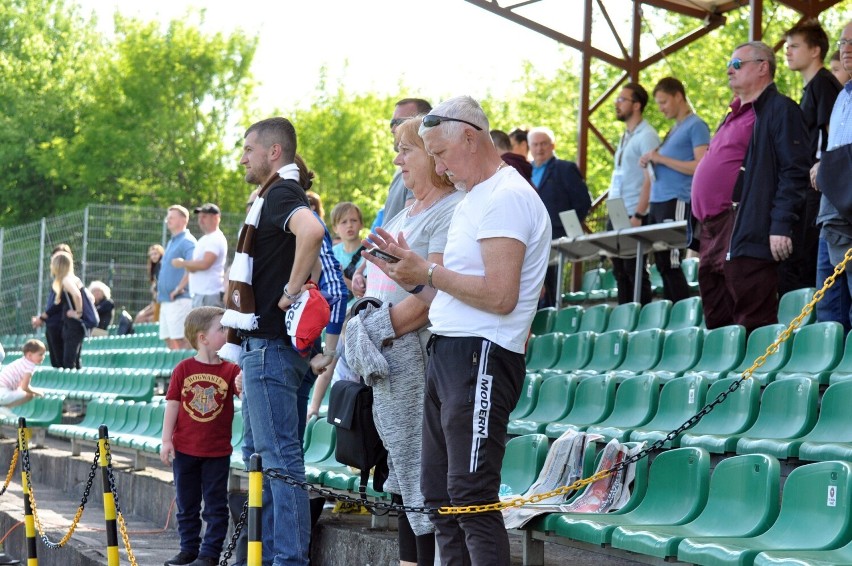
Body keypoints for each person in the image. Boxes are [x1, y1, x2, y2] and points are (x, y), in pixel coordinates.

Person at [362, 96, 550, 565]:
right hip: (451, 352)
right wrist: (413, 276)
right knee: (440, 501)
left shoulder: (507, 196)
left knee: (470, 499)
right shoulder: (475, 197)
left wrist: (428, 272)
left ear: (470, 136)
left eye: (441, 153)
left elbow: (500, 295)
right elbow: (453, 296)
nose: (439, 167)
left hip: (483, 354)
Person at [355, 115, 463, 566]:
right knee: (401, 480)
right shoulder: (403, 213)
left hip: (416, 361)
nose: (398, 159)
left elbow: (426, 300)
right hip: (388, 365)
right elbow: (376, 283)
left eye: (407, 149)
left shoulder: (450, 210)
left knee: (422, 482)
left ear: (435, 158)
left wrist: (370, 337)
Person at [221, 117, 325, 566]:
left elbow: (314, 232)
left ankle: (287, 561)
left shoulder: (281, 193)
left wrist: (288, 292)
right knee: (270, 457)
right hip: (269, 350)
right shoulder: (275, 195)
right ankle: (265, 556)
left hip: (270, 348)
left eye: (248, 149)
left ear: (274, 152)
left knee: (280, 462)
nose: (243, 157)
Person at [692, 41, 811, 331]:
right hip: (712, 231)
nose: (729, 71)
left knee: (751, 319)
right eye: (728, 65)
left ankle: (751, 378)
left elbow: (794, 171)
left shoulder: (779, 109)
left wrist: (780, 225)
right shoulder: (733, 113)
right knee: (717, 320)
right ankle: (723, 377)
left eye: (736, 64)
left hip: (747, 229)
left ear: (762, 67)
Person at [161, 306, 240, 566]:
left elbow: (245, 393)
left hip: (217, 453)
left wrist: (243, 380)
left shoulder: (230, 371)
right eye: (222, 329)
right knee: (187, 505)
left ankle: (209, 555)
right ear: (202, 338)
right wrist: (166, 440)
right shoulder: (183, 369)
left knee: (216, 507)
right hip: (185, 450)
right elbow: (172, 404)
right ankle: (188, 549)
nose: (227, 333)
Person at [782, 19, 844, 296]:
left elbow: (836, 138)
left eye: (794, 46)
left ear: (815, 50)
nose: (787, 51)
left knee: (809, 268)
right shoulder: (812, 88)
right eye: (786, 46)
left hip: (820, 191)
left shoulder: (825, 85)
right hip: (809, 190)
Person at [351, 98, 432, 299]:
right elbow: (391, 227)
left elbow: (409, 234)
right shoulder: (401, 173)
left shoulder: (419, 175)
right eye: (391, 123)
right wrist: (363, 267)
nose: (392, 128)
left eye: (398, 122)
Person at [639, 77, 710, 303]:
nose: (661, 109)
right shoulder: (673, 129)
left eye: (664, 102)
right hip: (659, 201)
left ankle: (681, 309)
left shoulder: (696, 125)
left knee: (671, 260)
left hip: (676, 199)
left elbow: (701, 165)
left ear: (678, 96)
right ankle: (671, 310)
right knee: (661, 261)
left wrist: (661, 158)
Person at [811, 21, 852, 331]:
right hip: (831, 214)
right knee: (828, 307)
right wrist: (821, 165)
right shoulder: (841, 98)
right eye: (842, 42)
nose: (846, 49)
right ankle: (834, 378)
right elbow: (835, 150)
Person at [606, 83, 660, 305]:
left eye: (622, 100)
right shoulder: (626, 135)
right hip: (616, 209)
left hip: (633, 211)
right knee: (619, 271)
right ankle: (623, 319)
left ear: (637, 105)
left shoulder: (647, 135)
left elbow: (650, 177)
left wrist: (639, 213)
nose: (617, 104)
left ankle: (639, 320)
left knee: (634, 270)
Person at [528, 126, 592, 307]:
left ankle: (552, 317)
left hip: (556, 235)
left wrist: (567, 226)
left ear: (552, 145)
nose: (539, 149)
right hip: (530, 235)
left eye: (544, 144)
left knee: (552, 281)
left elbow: (583, 202)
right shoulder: (524, 172)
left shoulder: (565, 169)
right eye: (535, 144)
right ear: (530, 147)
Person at [172, 204, 227, 308]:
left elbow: (205, 264)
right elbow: (193, 268)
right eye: (199, 217)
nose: (200, 220)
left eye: (204, 217)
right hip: (200, 295)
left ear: (216, 218)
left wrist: (182, 263)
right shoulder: (204, 240)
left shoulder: (216, 238)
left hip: (210, 295)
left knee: (208, 324)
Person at [158, 206, 196, 350]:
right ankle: (177, 372)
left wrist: (178, 288)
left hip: (179, 299)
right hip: (166, 300)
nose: (168, 220)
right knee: (169, 339)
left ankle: (188, 372)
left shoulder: (187, 241)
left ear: (183, 220)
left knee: (182, 341)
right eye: (168, 217)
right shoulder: (171, 241)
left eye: (172, 217)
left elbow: (192, 267)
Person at [31, 243, 73, 367]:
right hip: (52, 324)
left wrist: (42, 317)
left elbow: (59, 304)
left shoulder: (67, 280)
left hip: (60, 325)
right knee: (55, 362)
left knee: (61, 362)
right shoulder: (57, 280)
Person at [50, 251, 87, 369]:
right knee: (75, 360)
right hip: (76, 325)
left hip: (73, 325)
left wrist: (78, 313)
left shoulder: (66, 279)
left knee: (69, 362)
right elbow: (90, 297)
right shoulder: (74, 278)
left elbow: (77, 295)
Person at [330, 202, 364, 302]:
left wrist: (341, 279)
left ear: (361, 224)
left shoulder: (369, 253)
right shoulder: (332, 253)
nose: (349, 225)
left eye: (354, 220)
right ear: (335, 228)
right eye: (343, 222)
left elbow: (364, 291)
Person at [0, 339, 45, 409]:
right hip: (3, 393)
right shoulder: (29, 366)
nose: (43, 357)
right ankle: (5, 408)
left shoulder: (21, 361)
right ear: (29, 355)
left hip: (3, 391)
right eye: (40, 354)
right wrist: (38, 392)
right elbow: (25, 387)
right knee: (30, 395)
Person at [135, 244, 164, 324]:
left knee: (146, 319)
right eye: (151, 254)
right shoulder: (155, 267)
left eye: (155, 254)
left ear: (161, 254)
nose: (153, 256)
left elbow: (161, 284)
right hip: (156, 300)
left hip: (162, 300)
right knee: (140, 317)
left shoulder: (162, 265)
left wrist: (155, 290)